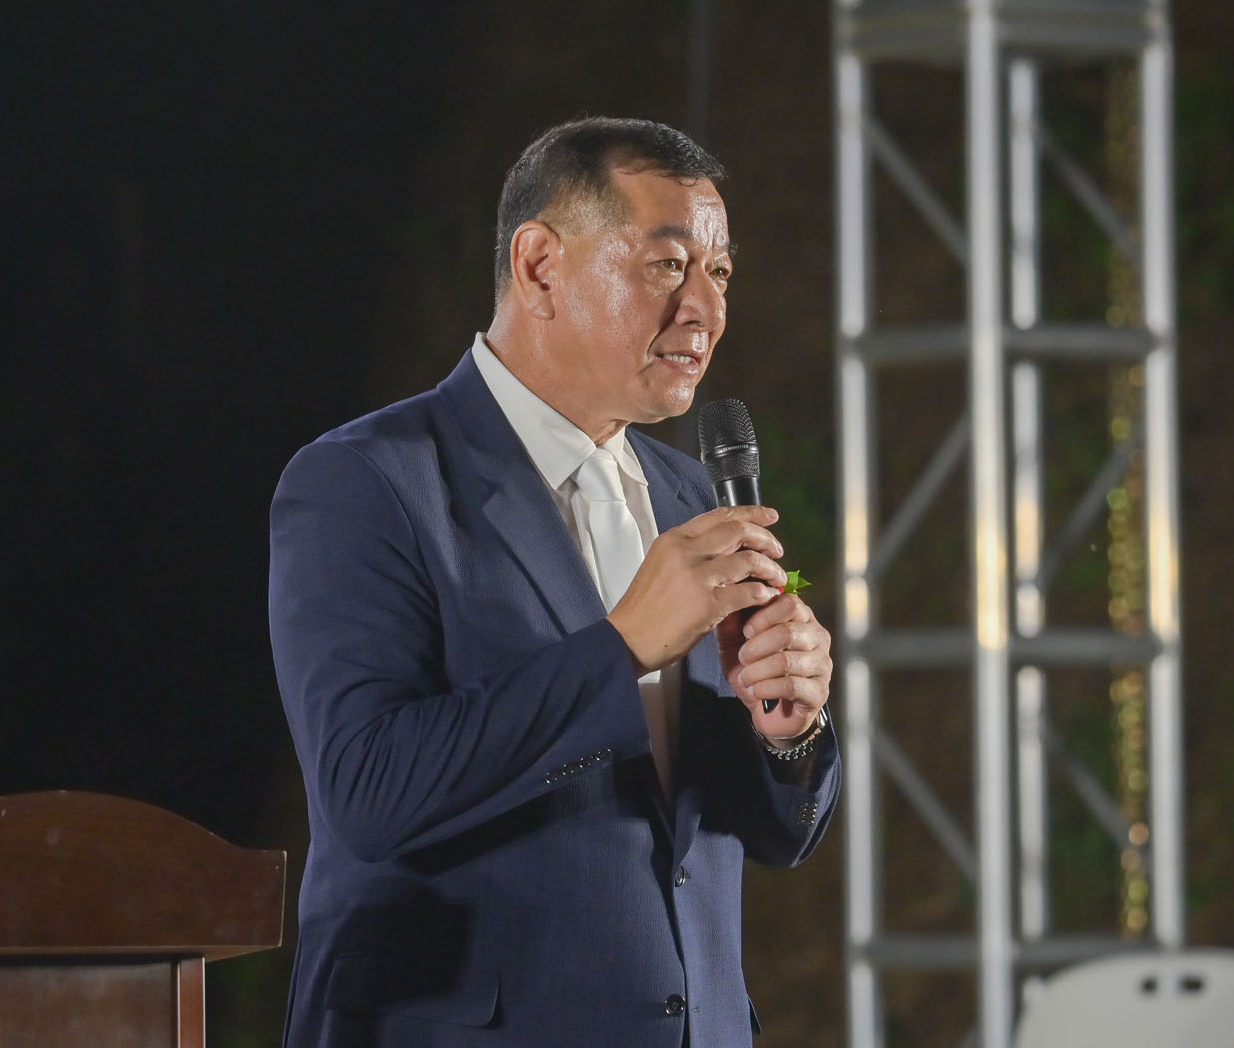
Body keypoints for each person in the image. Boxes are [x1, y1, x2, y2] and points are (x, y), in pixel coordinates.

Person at [269, 116, 839, 1048]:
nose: (705, 308)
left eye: (721, 272)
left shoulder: (690, 495)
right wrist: (622, 648)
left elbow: (764, 834)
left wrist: (789, 733)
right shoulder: (366, 482)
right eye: (667, 265)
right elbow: (368, 790)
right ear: (539, 267)